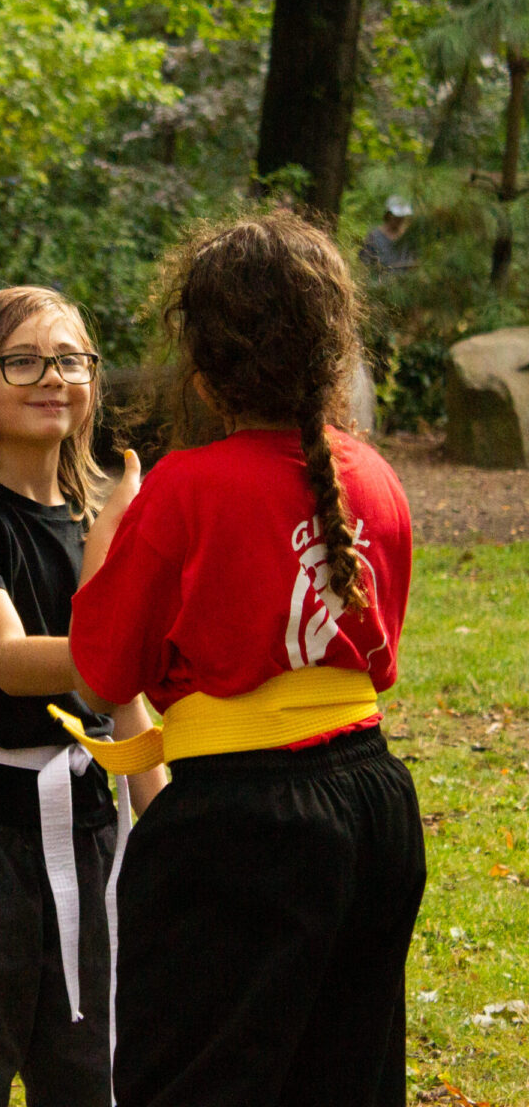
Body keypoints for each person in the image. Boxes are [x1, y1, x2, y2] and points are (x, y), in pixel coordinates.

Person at [63, 210, 427, 1107]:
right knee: (342, 1078)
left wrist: (107, 543)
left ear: (201, 362)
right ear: (332, 349)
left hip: (241, 826)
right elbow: (376, 657)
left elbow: (103, 675)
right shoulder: (373, 475)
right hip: (375, 805)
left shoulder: (187, 487)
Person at [0, 285, 166, 1107]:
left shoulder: (94, 514)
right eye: (23, 360)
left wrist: (162, 826)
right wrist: (115, 566)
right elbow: (14, 662)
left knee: (90, 1066)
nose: (54, 376)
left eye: (73, 359)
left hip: (87, 826)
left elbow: (117, 693)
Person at [360, 195, 416, 273]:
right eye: (396, 216)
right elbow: (364, 264)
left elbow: (413, 263)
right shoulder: (373, 237)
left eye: (402, 216)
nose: (399, 220)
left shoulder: (408, 237)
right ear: (388, 215)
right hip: (379, 283)